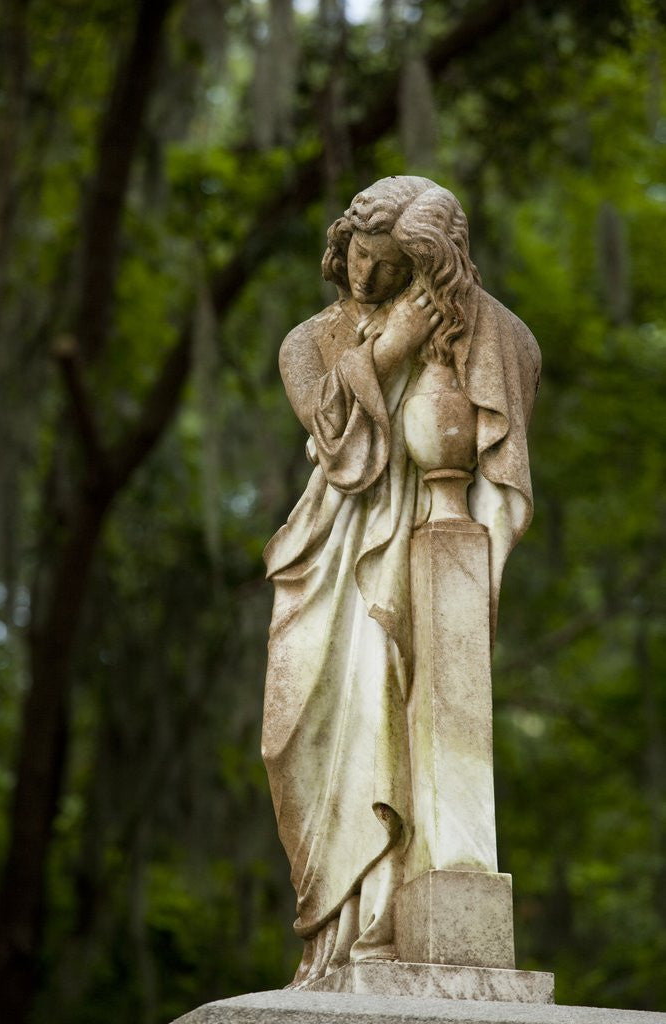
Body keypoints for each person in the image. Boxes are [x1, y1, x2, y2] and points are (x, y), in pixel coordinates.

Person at [261, 176, 540, 987]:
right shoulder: (309, 340)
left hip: (417, 548)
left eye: (387, 267)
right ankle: (336, 921)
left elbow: (515, 368)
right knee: (289, 736)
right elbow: (329, 433)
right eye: (357, 257)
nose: (365, 278)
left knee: (392, 689)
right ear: (339, 244)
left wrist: (446, 323)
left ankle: (383, 917)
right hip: (333, 558)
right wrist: (385, 348)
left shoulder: (468, 329)